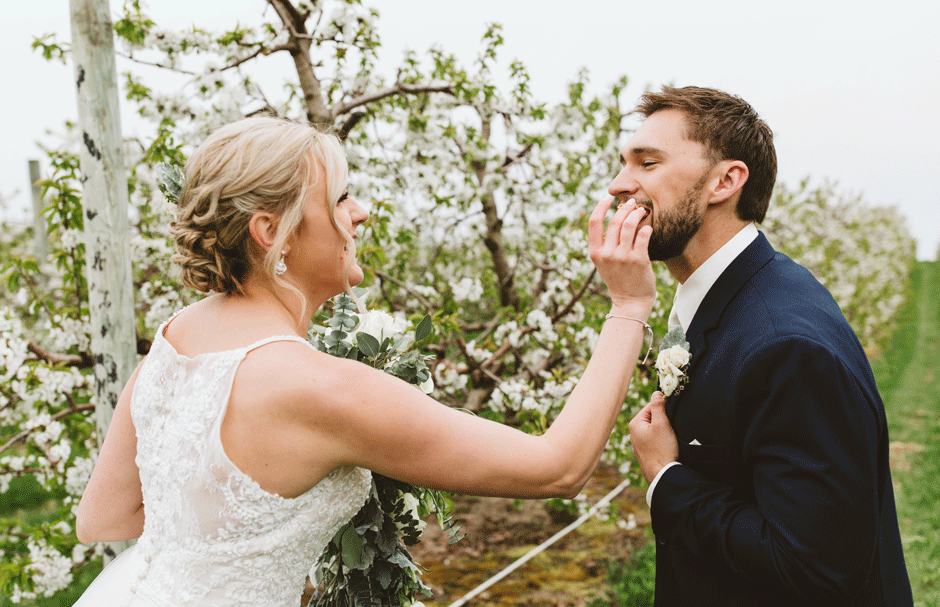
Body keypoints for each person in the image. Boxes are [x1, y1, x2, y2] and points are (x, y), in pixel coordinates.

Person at [73, 116, 657, 606]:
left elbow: (102, 517)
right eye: (340, 198)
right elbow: (558, 467)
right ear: (273, 232)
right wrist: (629, 306)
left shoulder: (177, 334)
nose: (362, 213)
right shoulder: (319, 388)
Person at [622, 86, 913, 606]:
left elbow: (813, 567)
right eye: (624, 164)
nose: (620, 184)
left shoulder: (787, 348)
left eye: (647, 163)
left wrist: (666, 478)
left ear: (725, 181)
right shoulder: (739, 297)